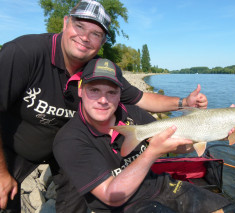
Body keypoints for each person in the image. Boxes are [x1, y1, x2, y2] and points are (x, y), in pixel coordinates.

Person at [0, 0, 208, 212]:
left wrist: (184, 103)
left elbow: (141, 98)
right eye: (79, 26)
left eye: (96, 34)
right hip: (12, 145)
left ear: (103, 41)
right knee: (4, 198)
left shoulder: (96, 71)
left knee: (75, 202)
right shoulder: (23, 53)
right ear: (65, 23)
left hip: (67, 147)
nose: (85, 37)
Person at [53, 58, 230, 213]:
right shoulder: (69, 140)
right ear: (80, 90)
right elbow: (111, 195)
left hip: (161, 186)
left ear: (120, 94)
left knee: (218, 209)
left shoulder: (133, 114)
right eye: (94, 90)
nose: (103, 100)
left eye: (111, 92)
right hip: (122, 206)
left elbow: (179, 147)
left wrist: (214, 132)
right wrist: (152, 152)